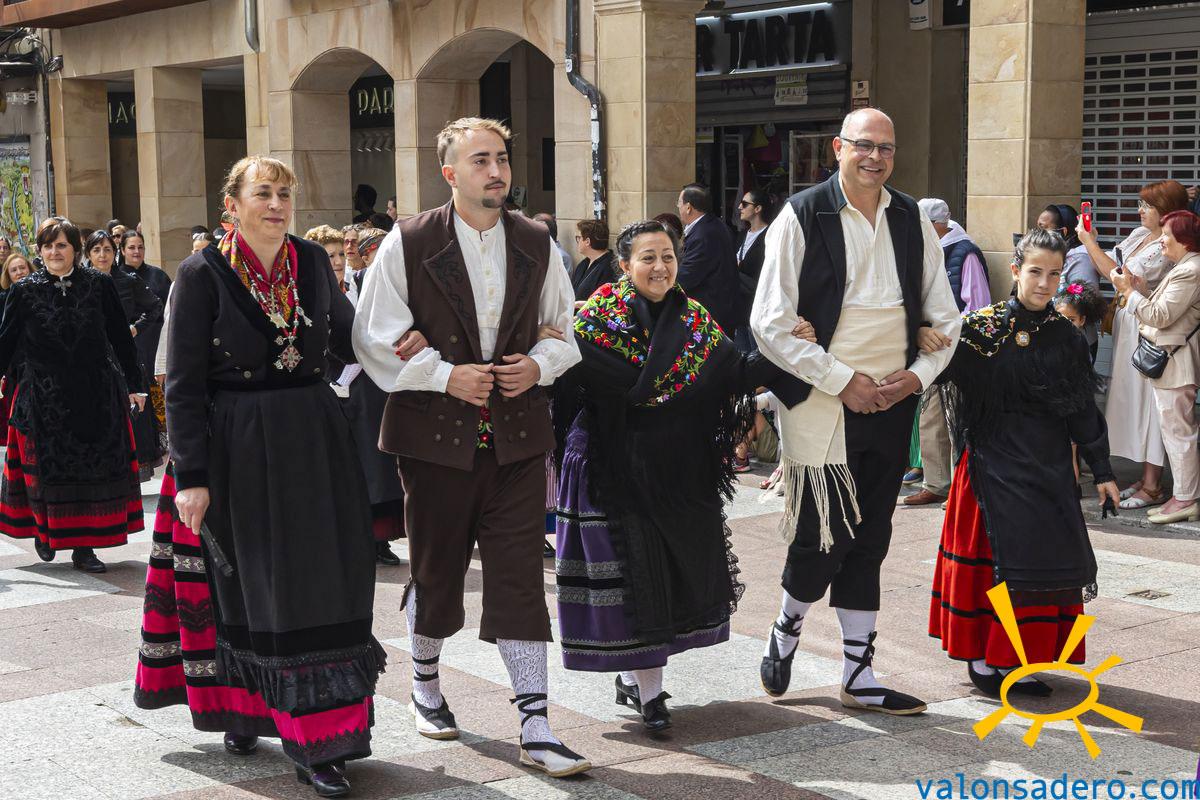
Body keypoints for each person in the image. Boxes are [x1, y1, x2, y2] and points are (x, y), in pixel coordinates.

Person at [133, 156, 384, 797]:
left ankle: (323, 738)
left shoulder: (310, 260)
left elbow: (352, 340)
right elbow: (182, 384)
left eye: (284, 193)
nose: (276, 204)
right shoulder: (201, 273)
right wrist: (191, 474)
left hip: (314, 439)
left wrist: (414, 348)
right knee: (251, 585)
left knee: (321, 580)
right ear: (232, 206)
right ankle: (245, 712)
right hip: (237, 444)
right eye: (263, 193)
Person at [353, 117, 590, 777]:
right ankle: (425, 686)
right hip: (434, 438)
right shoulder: (408, 241)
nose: (496, 170)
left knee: (519, 578)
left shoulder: (535, 241)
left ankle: (536, 724)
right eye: (480, 160)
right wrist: (442, 375)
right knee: (438, 573)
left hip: (517, 437)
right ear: (450, 173)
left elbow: (565, 329)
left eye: (502, 158)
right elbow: (375, 334)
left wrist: (538, 364)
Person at [557, 220, 810, 731]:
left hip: (676, 467)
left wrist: (787, 346)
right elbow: (564, 384)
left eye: (668, 256)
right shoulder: (591, 325)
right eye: (648, 258)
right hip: (609, 466)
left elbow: (734, 372)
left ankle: (636, 682)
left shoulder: (694, 321)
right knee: (633, 579)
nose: (660, 267)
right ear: (623, 266)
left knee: (664, 579)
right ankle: (649, 695)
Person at [751, 108, 961, 715]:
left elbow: (945, 318)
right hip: (824, 399)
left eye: (886, 148)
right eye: (863, 145)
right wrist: (843, 382)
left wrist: (916, 377)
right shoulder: (802, 214)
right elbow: (768, 322)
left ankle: (858, 674)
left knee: (872, 537)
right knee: (822, 537)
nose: (875, 157)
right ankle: (787, 625)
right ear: (838, 149)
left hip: (891, 400)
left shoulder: (911, 218)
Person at [928, 228, 1119, 697]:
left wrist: (1103, 471)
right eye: (1035, 271)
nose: (1044, 283)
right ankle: (979, 655)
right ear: (1016, 270)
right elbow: (930, 365)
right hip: (988, 467)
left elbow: (1082, 410)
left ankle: (1021, 658)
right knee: (989, 566)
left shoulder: (1067, 338)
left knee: (1041, 563)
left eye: (1054, 274)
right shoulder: (978, 329)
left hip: (1046, 467)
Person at [0, 217, 146, 574]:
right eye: (48, 246)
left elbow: (120, 337)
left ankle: (84, 547)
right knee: (43, 471)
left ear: (75, 250)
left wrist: (135, 384)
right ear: (40, 251)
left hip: (94, 393)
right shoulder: (24, 290)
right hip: (42, 396)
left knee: (89, 470)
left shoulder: (98, 284)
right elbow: (6, 341)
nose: (54, 252)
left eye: (61, 245)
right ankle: (45, 532)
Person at [1076, 180, 1190, 509]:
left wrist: (1088, 242)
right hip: (1129, 324)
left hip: (1148, 327)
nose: (1141, 211)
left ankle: (1153, 484)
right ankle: (1145, 477)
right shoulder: (1141, 235)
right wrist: (1093, 243)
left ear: (1166, 210)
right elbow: (1112, 266)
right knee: (1130, 401)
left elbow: (1115, 274)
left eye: (1148, 206)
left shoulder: (1168, 243)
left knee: (1149, 405)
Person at [1111, 211, 1200, 524]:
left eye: (1167, 236)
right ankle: (1181, 497)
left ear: (1184, 241)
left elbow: (1161, 316)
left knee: (1178, 433)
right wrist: (1140, 290)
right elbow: (1167, 310)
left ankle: (1185, 499)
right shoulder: (1185, 267)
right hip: (1171, 361)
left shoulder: (1191, 270)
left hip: (1176, 362)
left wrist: (1128, 292)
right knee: (1174, 431)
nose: (1161, 241)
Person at [903, 198, 992, 508]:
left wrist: (950, 335)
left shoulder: (965, 253)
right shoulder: (925, 250)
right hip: (928, 347)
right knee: (930, 417)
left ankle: (959, 488)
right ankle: (936, 483)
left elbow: (978, 305)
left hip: (956, 348)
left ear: (936, 225)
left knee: (956, 419)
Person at [86, 230, 164, 481]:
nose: (102, 255)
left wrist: (135, 328)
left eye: (107, 249)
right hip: (90, 360)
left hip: (124, 358)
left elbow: (155, 306)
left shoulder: (127, 280)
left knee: (131, 416)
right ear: (88, 254)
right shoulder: (79, 283)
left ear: (115, 252)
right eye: (96, 250)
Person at [1038, 204, 1102, 358]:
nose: (1038, 234)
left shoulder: (1080, 258)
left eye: (1043, 228)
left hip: (1076, 344)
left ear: (1063, 232)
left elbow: (1085, 300)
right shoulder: (1056, 255)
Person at [676, 183, 740, 331]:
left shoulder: (704, 234)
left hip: (712, 313)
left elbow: (687, 277)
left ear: (688, 207)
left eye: (679, 203)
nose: (678, 207)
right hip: (720, 309)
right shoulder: (711, 225)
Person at [734, 189, 772, 354]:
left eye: (744, 204)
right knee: (741, 354)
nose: (739, 207)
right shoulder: (742, 234)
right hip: (739, 305)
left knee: (757, 354)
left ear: (758, 208)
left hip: (757, 305)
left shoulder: (770, 236)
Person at [570, 219, 616, 305]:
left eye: (578, 238)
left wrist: (582, 304)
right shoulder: (583, 263)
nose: (577, 241)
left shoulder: (610, 267)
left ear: (587, 241)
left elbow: (608, 301)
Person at [305, 224, 348, 290]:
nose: (339, 262)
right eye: (331, 256)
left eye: (341, 254)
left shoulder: (354, 290)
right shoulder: (303, 294)